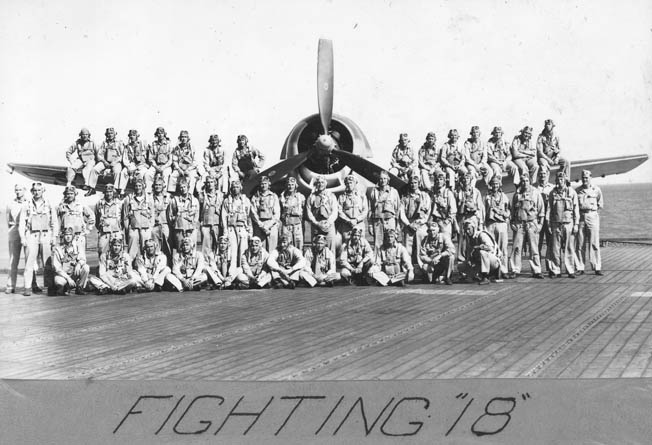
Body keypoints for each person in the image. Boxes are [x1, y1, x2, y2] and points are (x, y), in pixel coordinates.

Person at [20, 182, 58, 295]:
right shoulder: (27, 204)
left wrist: (54, 236)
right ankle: (27, 287)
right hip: (31, 235)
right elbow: (22, 222)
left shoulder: (49, 204)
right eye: (35, 190)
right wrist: (22, 237)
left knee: (48, 262)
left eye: (39, 190)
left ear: (43, 191)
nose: (37, 192)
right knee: (29, 262)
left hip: (46, 235)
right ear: (32, 191)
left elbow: (54, 221)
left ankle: (50, 286)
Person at [508, 175, 545, 279]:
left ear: (530, 181)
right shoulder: (517, 194)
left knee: (534, 248)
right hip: (519, 224)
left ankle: (536, 270)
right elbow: (512, 210)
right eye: (523, 181)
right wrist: (512, 223)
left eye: (527, 180)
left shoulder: (536, 193)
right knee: (516, 248)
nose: (525, 183)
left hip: (531, 223)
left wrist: (540, 224)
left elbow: (541, 209)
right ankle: (515, 269)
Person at [547, 171, 579, 278]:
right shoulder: (552, 193)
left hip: (568, 223)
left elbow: (576, 210)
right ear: (556, 181)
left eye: (562, 179)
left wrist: (576, 224)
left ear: (565, 180)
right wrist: (549, 224)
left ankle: (570, 270)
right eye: (558, 179)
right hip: (556, 224)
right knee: (555, 249)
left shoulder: (572, 192)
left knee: (569, 248)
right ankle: (556, 270)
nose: (560, 181)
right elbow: (550, 209)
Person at [399, 174, 431, 269]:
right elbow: (402, 213)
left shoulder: (425, 196)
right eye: (411, 183)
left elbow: (427, 213)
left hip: (421, 224)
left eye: (415, 183)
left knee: (421, 249)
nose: (413, 185)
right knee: (407, 249)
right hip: (409, 224)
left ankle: (423, 269)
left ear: (419, 183)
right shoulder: (405, 197)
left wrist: (419, 223)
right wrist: (408, 224)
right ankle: (408, 269)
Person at [575, 170, 604, 275]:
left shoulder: (596, 189)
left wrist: (594, 213)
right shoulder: (578, 190)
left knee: (594, 243)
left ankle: (597, 267)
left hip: (592, 216)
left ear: (590, 178)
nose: (585, 179)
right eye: (583, 177)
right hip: (581, 217)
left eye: (586, 177)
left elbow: (600, 204)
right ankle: (580, 267)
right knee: (580, 243)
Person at [457, 219, 502, 285]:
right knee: (461, 266)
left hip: (493, 261)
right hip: (480, 262)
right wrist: (469, 260)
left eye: (469, 229)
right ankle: (476, 275)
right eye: (466, 229)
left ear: (473, 228)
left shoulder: (481, 235)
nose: (467, 231)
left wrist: (478, 247)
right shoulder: (469, 238)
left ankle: (485, 276)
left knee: (482, 252)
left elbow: (491, 248)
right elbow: (470, 253)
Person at [49, 227, 91, 296]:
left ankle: (80, 287)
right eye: (66, 235)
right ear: (63, 236)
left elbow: (83, 259)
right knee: (60, 282)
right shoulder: (58, 249)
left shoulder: (77, 246)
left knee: (86, 268)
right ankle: (65, 287)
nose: (68, 237)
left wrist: (79, 264)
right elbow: (57, 268)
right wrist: (68, 278)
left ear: (73, 236)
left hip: (73, 273)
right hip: (63, 275)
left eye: (70, 235)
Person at [483, 176, 510, 276]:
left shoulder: (504, 196)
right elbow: (484, 211)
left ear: (499, 185)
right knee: (491, 248)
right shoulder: (487, 197)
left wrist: (506, 218)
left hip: (501, 224)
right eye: (493, 184)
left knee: (503, 248)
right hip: (490, 224)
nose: (495, 186)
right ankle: (492, 270)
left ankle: (504, 270)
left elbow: (508, 209)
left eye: (497, 184)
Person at [56, 186, 95, 255]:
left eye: (71, 193)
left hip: (79, 236)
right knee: (67, 258)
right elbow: (56, 220)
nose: (70, 195)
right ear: (65, 194)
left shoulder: (81, 205)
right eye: (68, 194)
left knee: (81, 257)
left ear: (75, 194)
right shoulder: (61, 206)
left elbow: (91, 216)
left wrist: (88, 229)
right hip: (66, 237)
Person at [368, 170, 401, 251]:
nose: (383, 181)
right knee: (378, 244)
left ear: (388, 180)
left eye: (385, 179)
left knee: (391, 242)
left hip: (390, 220)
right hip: (378, 221)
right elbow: (370, 209)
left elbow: (398, 209)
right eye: (381, 179)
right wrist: (370, 225)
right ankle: (378, 262)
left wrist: (398, 225)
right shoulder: (374, 192)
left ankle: (391, 262)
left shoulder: (393, 192)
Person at [306, 175, 338, 255]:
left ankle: (331, 266)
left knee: (331, 248)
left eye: (322, 182)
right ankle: (316, 266)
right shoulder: (311, 196)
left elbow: (335, 211)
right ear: (316, 184)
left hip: (329, 225)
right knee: (316, 247)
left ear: (326, 184)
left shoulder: (331, 196)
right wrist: (316, 223)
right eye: (318, 182)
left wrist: (329, 222)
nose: (320, 184)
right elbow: (309, 211)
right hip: (316, 224)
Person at [456, 172, 485, 262]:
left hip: (472, 217)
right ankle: (462, 265)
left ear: (471, 180)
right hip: (462, 217)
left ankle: (474, 263)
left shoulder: (476, 192)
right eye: (464, 179)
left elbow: (480, 207)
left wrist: (480, 222)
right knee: (462, 242)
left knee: (473, 240)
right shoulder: (457, 192)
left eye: (468, 178)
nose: (466, 181)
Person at [221, 179, 252, 264]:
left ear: (241, 188)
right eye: (233, 187)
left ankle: (242, 270)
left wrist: (249, 231)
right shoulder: (227, 201)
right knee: (232, 251)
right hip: (231, 228)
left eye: (237, 187)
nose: (235, 189)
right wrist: (225, 230)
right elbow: (223, 216)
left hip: (242, 228)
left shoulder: (246, 201)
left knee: (243, 250)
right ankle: (233, 271)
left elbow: (249, 216)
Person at [122, 179, 154, 259]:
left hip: (145, 228)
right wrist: (127, 229)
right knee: (132, 250)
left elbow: (152, 214)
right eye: (136, 186)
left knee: (146, 249)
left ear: (143, 186)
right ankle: (130, 267)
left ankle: (146, 266)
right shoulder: (128, 198)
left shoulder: (149, 198)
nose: (138, 188)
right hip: (133, 228)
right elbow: (125, 216)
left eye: (140, 185)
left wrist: (150, 227)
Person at [167, 177, 200, 255]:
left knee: (192, 249)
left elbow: (197, 214)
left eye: (184, 187)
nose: (183, 189)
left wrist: (194, 225)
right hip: (179, 229)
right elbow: (170, 216)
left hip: (191, 229)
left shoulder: (194, 200)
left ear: (188, 187)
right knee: (180, 249)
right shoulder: (174, 200)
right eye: (181, 187)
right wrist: (175, 224)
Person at [88, 127, 124, 196]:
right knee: (94, 169)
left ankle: (116, 189)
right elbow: (99, 154)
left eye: (112, 133)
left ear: (115, 134)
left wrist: (115, 162)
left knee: (117, 171)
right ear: (106, 135)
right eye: (108, 134)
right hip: (105, 162)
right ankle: (92, 188)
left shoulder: (119, 143)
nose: (110, 135)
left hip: (115, 162)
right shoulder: (104, 143)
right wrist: (104, 162)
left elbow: (122, 155)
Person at [336, 174, 368, 248]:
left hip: (359, 223)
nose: (349, 185)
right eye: (347, 183)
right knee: (346, 244)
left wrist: (357, 220)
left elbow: (365, 210)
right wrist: (348, 220)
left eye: (351, 183)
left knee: (361, 243)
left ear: (355, 183)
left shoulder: (362, 196)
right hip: (346, 225)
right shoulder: (342, 197)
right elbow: (339, 210)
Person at [250, 175, 280, 253]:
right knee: (260, 249)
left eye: (265, 183)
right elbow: (253, 212)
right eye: (262, 183)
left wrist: (269, 225)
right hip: (259, 225)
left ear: (269, 184)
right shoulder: (255, 197)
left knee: (272, 249)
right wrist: (261, 225)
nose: (263, 185)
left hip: (271, 225)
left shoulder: (273, 196)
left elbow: (277, 213)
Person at [5, 184, 27, 294]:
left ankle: (32, 284)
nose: (18, 192)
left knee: (30, 260)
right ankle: (10, 285)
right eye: (16, 190)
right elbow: (7, 218)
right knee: (13, 259)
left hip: (27, 231)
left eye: (20, 190)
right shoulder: (10, 204)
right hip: (14, 230)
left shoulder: (29, 203)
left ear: (25, 191)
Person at [533, 168, 554, 273]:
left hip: (549, 219)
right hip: (537, 219)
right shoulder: (534, 188)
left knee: (550, 244)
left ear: (548, 175)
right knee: (537, 244)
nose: (542, 176)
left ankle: (550, 268)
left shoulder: (552, 188)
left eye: (544, 174)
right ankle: (537, 269)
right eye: (540, 174)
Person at [65, 128, 99, 192]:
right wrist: (72, 161)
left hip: (90, 159)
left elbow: (98, 153)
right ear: (80, 135)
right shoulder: (77, 143)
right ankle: (69, 182)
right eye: (83, 134)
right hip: (81, 159)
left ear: (89, 135)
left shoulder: (92, 143)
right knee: (71, 168)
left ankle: (86, 184)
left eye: (86, 134)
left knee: (87, 169)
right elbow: (68, 152)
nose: (85, 136)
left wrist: (97, 163)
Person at [94, 184, 123, 258]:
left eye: (110, 192)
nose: (109, 194)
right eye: (107, 192)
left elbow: (123, 217)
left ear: (113, 192)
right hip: (104, 232)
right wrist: (101, 227)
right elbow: (96, 218)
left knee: (118, 250)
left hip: (116, 231)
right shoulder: (99, 203)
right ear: (104, 193)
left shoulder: (119, 203)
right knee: (102, 250)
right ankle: (102, 266)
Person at [198, 175, 224, 256]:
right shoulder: (202, 195)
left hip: (216, 223)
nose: (210, 184)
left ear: (215, 183)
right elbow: (198, 209)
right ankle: (206, 264)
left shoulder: (220, 195)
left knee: (217, 245)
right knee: (205, 246)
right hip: (205, 222)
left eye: (212, 182)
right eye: (208, 182)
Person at [279, 176, 306, 251]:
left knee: (298, 244)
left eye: (292, 184)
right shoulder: (282, 198)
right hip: (287, 225)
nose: (290, 186)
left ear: (295, 185)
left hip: (297, 224)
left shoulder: (301, 197)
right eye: (289, 184)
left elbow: (303, 210)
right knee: (287, 245)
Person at [430, 171, 458, 240]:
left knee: (446, 242)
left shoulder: (448, 193)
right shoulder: (433, 194)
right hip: (435, 222)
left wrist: (446, 222)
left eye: (441, 179)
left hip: (445, 222)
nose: (439, 181)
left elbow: (453, 210)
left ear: (444, 181)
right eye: (437, 180)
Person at [151, 176, 172, 261]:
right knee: (156, 247)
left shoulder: (169, 197)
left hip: (166, 224)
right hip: (155, 225)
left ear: (163, 186)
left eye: (160, 185)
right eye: (156, 185)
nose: (158, 187)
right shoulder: (150, 197)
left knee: (168, 247)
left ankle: (169, 265)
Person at [147, 127, 174, 192]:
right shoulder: (154, 144)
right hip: (156, 165)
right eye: (158, 133)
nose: (160, 135)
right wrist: (156, 166)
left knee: (166, 174)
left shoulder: (169, 144)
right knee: (148, 174)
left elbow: (170, 160)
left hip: (166, 165)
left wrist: (164, 167)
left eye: (162, 133)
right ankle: (148, 192)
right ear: (156, 135)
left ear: (164, 134)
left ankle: (164, 193)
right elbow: (150, 158)